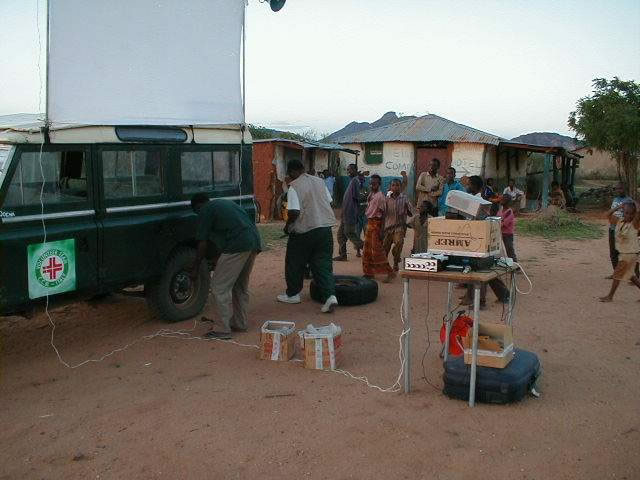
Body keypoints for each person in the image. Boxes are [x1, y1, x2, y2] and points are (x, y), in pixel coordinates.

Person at [189, 194, 262, 339]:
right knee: (239, 286)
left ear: (198, 207)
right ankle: (239, 323)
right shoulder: (223, 204)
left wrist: (196, 267)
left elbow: (202, 242)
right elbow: (225, 234)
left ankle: (222, 329)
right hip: (253, 242)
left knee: (219, 287)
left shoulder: (205, 210)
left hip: (237, 245)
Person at [276, 160, 338, 313]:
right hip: (325, 229)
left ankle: (293, 294)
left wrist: (287, 226)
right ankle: (330, 296)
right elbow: (329, 202)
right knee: (323, 264)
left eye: (289, 173)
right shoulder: (319, 182)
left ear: (292, 171)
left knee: (294, 262)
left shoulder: (294, 186)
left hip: (304, 231)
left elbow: (294, 212)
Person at [460, 175, 510, 309]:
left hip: (479, 239)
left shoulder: (477, 201)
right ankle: (502, 294)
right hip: (478, 237)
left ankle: (479, 301)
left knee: (480, 270)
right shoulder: (477, 199)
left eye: (469, 184)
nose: (467, 186)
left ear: (475, 186)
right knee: (482, 269)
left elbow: (478, 220)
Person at [600, 200, 640, 302]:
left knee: (617, 275)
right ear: (623, 212)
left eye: (631, 213)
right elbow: (607, 214)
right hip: (624, 253)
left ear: (634, 214)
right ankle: (610, 296)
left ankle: (610, 296)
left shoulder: (634, 224)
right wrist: (618, 207)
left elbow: (638, 212)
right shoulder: (620, 221)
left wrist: (636, 205)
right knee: (631, 276)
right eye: (626, 213)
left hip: (629, 254)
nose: (629, 215)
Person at [362, 174, 394, 282]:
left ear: (379, 184)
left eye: (374, 184)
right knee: (367, 250)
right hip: (370, 223)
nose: (372, 185)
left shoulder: (380, 197)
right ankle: (368, 272)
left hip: (376, 224)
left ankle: (389, 272)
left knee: (377, 250)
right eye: (371, 183)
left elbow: (384, 214)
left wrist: (382, 230)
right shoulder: (371, 194)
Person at [334, 163, 364, 261]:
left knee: (349, 233)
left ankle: (367, 247)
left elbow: (357, 198)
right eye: (347, 170)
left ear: (355, 170)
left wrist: (356, 212)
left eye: (350, 169)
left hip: (350, 213)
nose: (348, 172)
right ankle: (343, 255)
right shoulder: (352, 181)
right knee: (340, 235)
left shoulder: (355, 181)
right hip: (346, 214)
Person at [383, 178, 414, 271]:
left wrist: (407, 209)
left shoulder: (404, 198)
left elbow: (411, 213)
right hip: (388, 227)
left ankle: (396, 263)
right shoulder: (386, 199)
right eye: (393, 185)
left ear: (401, 187)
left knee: (399, 243)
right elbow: (383, 213)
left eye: (397, 185)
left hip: (399, 227)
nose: (395, 187)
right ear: (390, 187)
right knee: (385, 248)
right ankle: (385, 266)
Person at [607, 182, 632, 277]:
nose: (618, 190)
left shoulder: (629, 201)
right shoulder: (615, 199)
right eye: (617, 189)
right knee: (613, 253)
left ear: (625, 189)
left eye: (620, 188)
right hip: (613, 229)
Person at [498, 196, 517, 262]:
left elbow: (503, 223)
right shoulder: (501, 210)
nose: (501, 200)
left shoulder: (509, 212)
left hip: (507, 234)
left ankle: (515, 263)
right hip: (502, 233)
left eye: (503, 200)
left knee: (509, 250)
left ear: (507, 202)